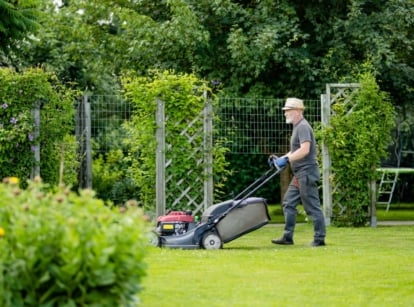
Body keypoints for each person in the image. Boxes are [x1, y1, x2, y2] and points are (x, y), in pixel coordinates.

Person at [271, 97, 326, 247]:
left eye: (288, 111)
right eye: (285, 111)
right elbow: (295, 150)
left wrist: (288, 161)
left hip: (306, 173)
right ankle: (287, 237)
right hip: (300, 174)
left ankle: (319, 239)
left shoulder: (303, 126)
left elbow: (304, 150)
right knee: (288, 203)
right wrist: (281, 159)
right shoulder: (297, 127)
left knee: (312, 206)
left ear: (298, 111)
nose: (285, 113)